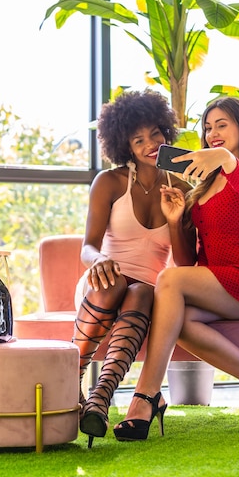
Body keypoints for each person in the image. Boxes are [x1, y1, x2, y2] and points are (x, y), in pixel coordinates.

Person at [114, 96, 239, 442]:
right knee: (177, 317)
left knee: (166, 280)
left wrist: (226, 157)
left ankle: (146, 395)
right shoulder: (202, 186)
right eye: (208, 127)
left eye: (222, 125)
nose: (213, 133)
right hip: (222, 283)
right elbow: (187, 265)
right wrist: (174, 222)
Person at [73, 89, 195, 447]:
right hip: (103, 280)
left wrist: (175, 220)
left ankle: (100, 396)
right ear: (125, 144)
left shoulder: (181, 188)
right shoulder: (109, 182)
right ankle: (74, 378)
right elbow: (88, 246)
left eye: (155, 133)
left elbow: (186, 264)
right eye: (138, 138)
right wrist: (98, 260)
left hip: (145, 294)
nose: (149, 144)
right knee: (116, 285)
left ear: (166, 132)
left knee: (143, 288)